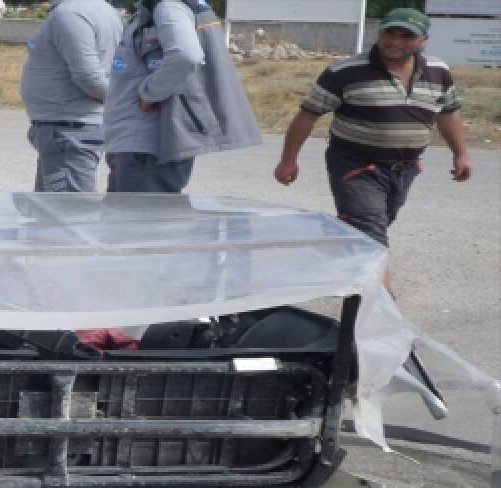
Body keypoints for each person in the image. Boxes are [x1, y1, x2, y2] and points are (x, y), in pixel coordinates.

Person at [274, 8, 472, 289]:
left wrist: (461, 153)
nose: (395, 41)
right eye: (390, 33)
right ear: (379, 33)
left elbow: (448, 112)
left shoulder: (438, 71)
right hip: (355, 167)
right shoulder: (345, 72)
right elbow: (307, 116)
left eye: (407, 36)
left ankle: (342, 246)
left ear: (423, 40)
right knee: (371, 238)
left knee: (367, 230)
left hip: (405, 170)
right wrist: (288, 160)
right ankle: (380, 313)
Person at [102, 0, 260, 193]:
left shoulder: (168, 6)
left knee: (137, 219)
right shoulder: (154, 9)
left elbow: (185, 55)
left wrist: (150, 94)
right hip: (137, 147)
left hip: (144, 150)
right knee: (130, 219)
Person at [20, 0, 124, 193]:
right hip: (65, 129)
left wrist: (120, 102)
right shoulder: (99, 10)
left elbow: (90, 78)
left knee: (68, 215)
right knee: (51, 213)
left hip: (68, 131)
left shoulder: (71, 14)